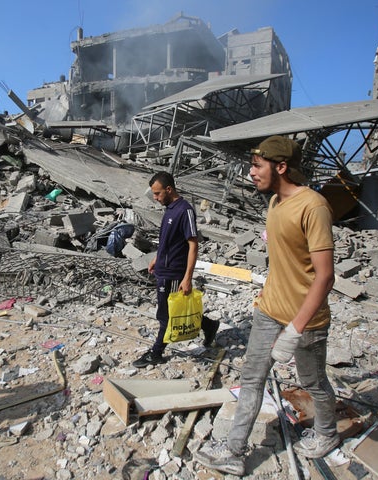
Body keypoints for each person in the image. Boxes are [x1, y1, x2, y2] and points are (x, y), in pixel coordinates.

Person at [194, 136, 338, 475]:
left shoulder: (313, 206)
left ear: (281, 167)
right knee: (252, 376)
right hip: (269, 310)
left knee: (313, 381)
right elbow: (284, 259)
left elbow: (325, 276)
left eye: (257, 165)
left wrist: (296, 329)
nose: (250, 172)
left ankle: (328, 433)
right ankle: (234, 450)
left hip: (305, 320)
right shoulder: (274, 202)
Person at [133, 171, 220, 368]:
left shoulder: (185, 210)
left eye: (157, 194)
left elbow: (193, 245)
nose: (155, 198)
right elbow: (168, 240)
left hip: (174, 272)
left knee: (166, 315)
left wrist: (187, 278)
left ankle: (156, 352)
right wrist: (156, 258)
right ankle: (209, 325)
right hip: (163, 269)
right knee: (170, 312)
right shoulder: (169, 209)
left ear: (169, 189)